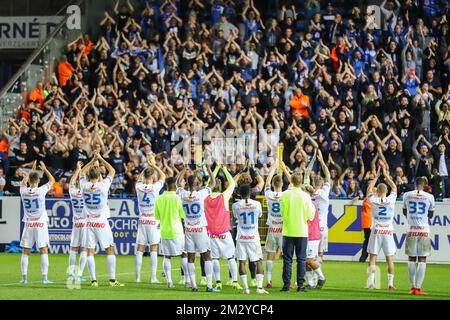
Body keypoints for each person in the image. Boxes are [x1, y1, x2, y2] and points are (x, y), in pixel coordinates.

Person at [79, 152, 124, 287]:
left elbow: (81, 172)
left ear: (88, 176)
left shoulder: (83, 185)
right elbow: (112, 170)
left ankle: (94, 280)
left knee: (90, 250)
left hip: (88, 222)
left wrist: (92, 160)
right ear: (99, 176)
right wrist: (100, 158)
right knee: (109, 249)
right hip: (101, 222)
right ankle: (112, 280)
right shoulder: (103, 185)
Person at [177, 165, 219, 292]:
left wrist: (182, 171)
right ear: (196, 184)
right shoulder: (201, 194)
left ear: (188, 184)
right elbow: (213, 183)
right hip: (200, 229)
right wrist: (210, 171)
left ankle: (194, 285)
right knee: (207, 255)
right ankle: (209, 286)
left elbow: (178, 183)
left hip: (189, 230)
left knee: (190, 257)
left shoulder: (182, 194)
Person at [204, 164, 241, 291]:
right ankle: (235, 281)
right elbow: (232, 183)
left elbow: (209, 182)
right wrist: (223, 168)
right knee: (230, 257)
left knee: (214, 258)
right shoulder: (223, 197)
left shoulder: (205, 197)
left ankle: (218, 282)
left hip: (211, 233)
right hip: (224, 232)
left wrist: (214, 170)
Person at [19, 161, 55, 284]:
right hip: (40, 224)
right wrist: (44, 169)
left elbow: (23, 183)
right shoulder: (41, 191)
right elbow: (52, 180)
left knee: (26, 251)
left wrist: (30, 172)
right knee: (43, 250)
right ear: (38, 181)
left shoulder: (23, 191)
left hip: (28, 224)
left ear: (29, 180)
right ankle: (44, 278)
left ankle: (24, 278)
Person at [280, 172, 315, 292]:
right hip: (301, 231)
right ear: (301, 182)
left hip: (288, 230)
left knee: (287, 259)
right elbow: (311, 215)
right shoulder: (306, 197)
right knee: (301, 259)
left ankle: (286, 285)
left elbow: (282, 213)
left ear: (291, 181)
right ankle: (300, 285)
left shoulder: (285, 195)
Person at [134, 155, 165, 284]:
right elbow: (163, 176)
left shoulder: (139, 187)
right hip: (153, 221)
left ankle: (137, 277)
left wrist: (146, 167)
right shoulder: (155, 187)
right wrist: (153, 165)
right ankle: (153, 277)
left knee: (140, 248)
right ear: (152, 178)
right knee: (154, 248)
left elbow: (139, 178)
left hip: (142, 221)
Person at [366, 165, 397, 290]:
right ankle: (390, 283)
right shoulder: (391, 199)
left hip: (376, 230)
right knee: (389, 258)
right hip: (388, 231)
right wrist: (386, 175)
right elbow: (394, 187)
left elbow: (368, 189)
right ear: (386, 191)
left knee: (373, 257)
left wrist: (377, 176)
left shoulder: (374, 200)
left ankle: (371, 282)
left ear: (377, 191)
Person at [232, 184, 268, 295]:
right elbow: (259, 216)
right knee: (258, 261)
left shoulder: (235, 205)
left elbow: (236, 217)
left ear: (240, 194)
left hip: (241, 237)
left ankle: (246, 288)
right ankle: (259, 287)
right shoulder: (257, 204)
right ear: (250, 193)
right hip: (253, 237)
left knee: (242, 261)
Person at [403, 177, 435, 295]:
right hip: (424, 231)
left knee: (411, 258)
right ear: (424, 184)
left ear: (414, 184)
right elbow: (431, 215)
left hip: (411, 230)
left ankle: (412, 287)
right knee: (422, 258)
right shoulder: (430, 197)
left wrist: (412, 219)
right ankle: (418, 288)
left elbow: (405, 211)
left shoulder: (407, 195)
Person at [154, 176, 185, 289]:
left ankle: (169, 281)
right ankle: (186, 280)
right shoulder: (177, 198)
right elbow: (182, 215)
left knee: (167, 257)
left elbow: (157, 216)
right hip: (177, 231)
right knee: (184, 255)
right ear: (175, 185)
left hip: (164, 232)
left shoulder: (159, 198)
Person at [263, 162, 284, 288]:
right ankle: (287, 281)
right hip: (282, 229)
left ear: (272, 184)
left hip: (271, 229)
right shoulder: (286, 195)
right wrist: (282, 166)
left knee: (270, 254)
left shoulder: (268, 194)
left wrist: (274, 167)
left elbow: (267, 181)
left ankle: (269, 281)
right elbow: (293, 184)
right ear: (282, 184)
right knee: (286, 256)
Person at [303, 184, 326, 289]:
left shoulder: (310, 205)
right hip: (306, 234)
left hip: (312, 235)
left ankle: (321, 277)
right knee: (305, 260)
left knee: (309, 260)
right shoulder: (307, 203)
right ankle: (310, 283)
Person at [67, 161, 87, 282]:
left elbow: (71, 182)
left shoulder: (73, 192)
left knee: (73, 248)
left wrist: (78, 169)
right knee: (84, 249)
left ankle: (71, 274)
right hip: (85, 223)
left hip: (76, 223)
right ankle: (79, 274)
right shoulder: (87, 192)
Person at [311, 150, 331, 265]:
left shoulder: (309, 193)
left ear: (314, 183)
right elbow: (328, 175)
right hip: (323, 227)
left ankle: (312, 277)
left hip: (312, 227)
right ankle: (319, 274)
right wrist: (322, 162)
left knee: (311, 253)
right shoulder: (325, 192)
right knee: (320, 253)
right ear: (322, 183)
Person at [359, 195, 372, 263]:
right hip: (369, 223)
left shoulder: (366, 200)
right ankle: (363, 258)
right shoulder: (369, 200)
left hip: (367, 223)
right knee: (368, 241)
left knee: (367, 241)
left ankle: (363, 258)